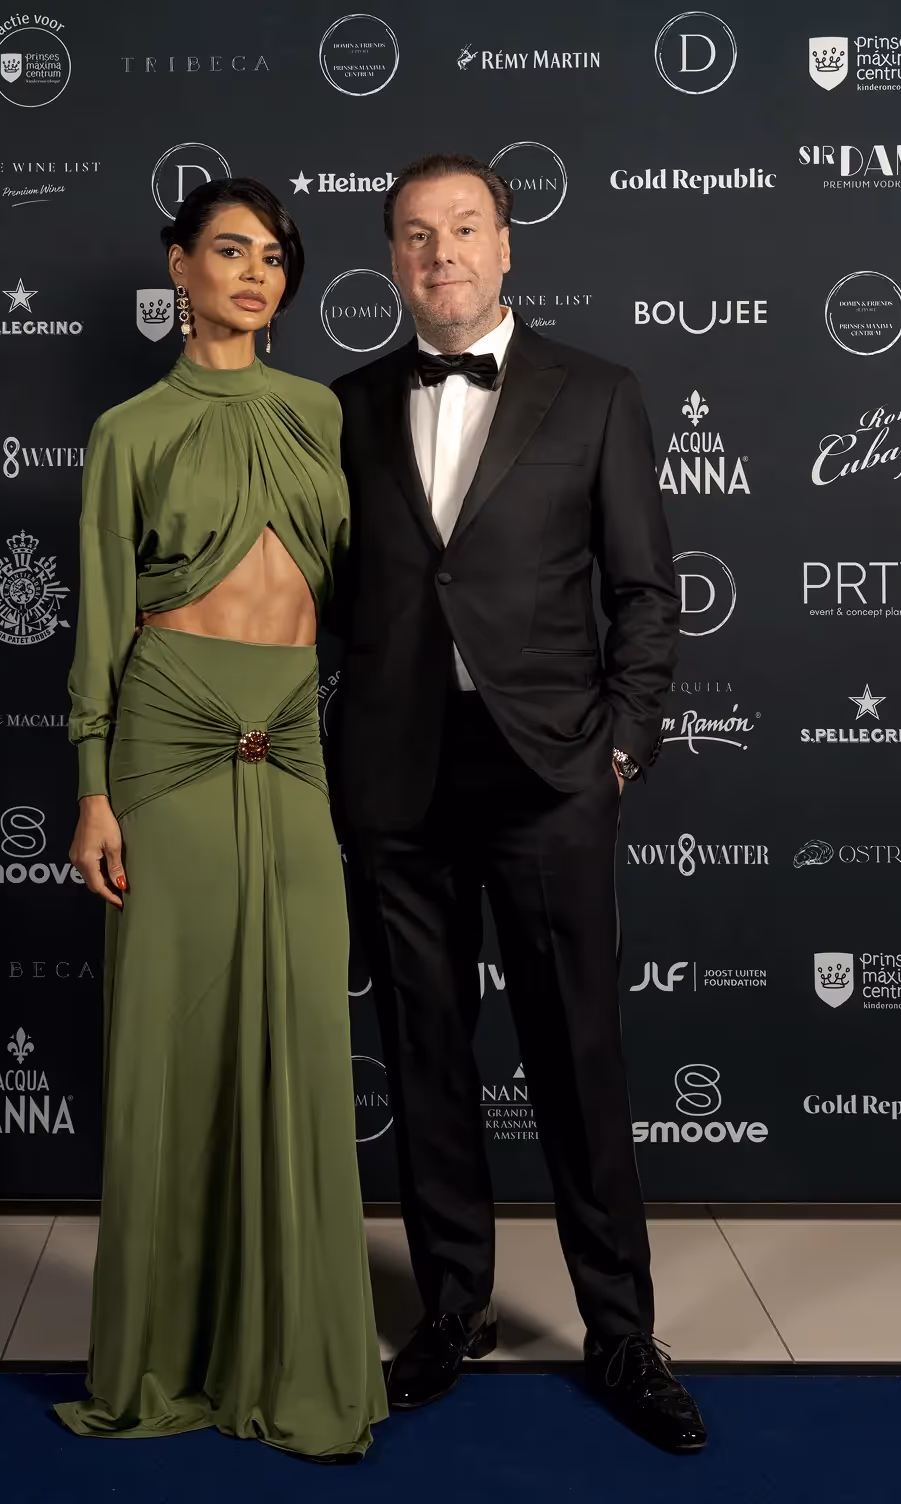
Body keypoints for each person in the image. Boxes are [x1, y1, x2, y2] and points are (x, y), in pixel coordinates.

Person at [328, 153, 704, 1454]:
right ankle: (451, 1309)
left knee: (577, 1058)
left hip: (549, 774)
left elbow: (645, 591)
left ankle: (622, 1330)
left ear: (506, 247)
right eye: (414, 235)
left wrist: (622, 747)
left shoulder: (596, 393)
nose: (440, 253)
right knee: (425, 1054)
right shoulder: (345, 406)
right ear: (392, 261)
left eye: (464, 229)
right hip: (396, 777)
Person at [55, 177, 385, 1461]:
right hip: (167, 734)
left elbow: (363, 590)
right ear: (178, 265)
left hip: (291, 733)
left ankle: (289, 1354)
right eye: (231, 251)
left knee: (298, 1033)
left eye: (275, 257)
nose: (256, 274)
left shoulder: (319, 413)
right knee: (170, 1041)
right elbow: (100, 608)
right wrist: (92, 784)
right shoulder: (127, 430)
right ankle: (158, 1359)